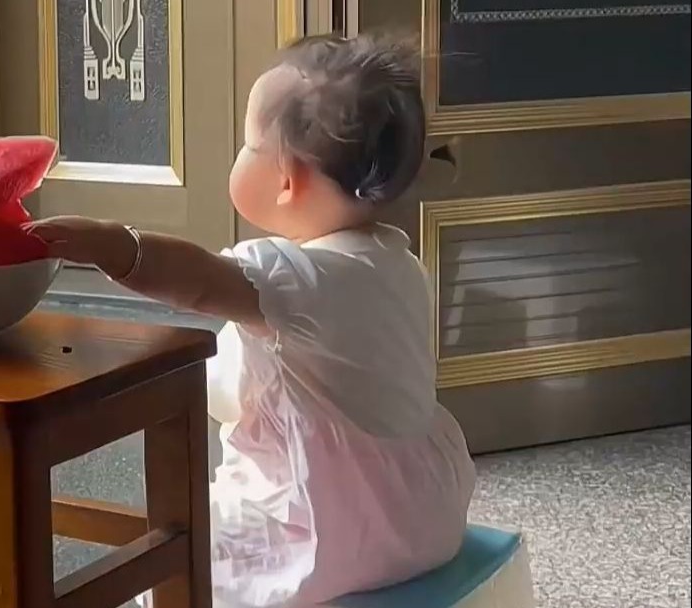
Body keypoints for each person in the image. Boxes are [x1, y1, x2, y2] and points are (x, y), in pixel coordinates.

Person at [26, 32, 476, 607]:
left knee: (170, 564)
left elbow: (200, 280)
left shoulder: (293, 279)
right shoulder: (398, 261)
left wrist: (115, 245)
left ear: (287, 180)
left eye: (248, 145)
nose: (237, 155)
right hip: (425, 515)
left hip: (336, 535)